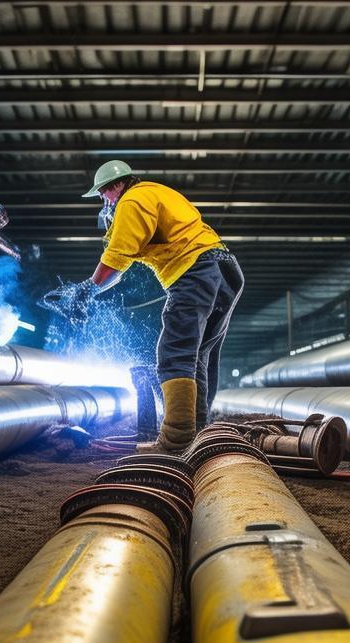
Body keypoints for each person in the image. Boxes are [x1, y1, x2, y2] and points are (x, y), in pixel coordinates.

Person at [57, 160, 244, 453]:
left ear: (116, 186)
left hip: (193, 270)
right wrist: (94, 286)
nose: (104, 202)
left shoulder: (131, 201)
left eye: (103, 194)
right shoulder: (155, 191)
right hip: (226, 271)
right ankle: (197, 434)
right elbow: (119, 267)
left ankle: (176, 441)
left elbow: (116, 258)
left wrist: (86, 289)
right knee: (199, 356)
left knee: (174, 353)